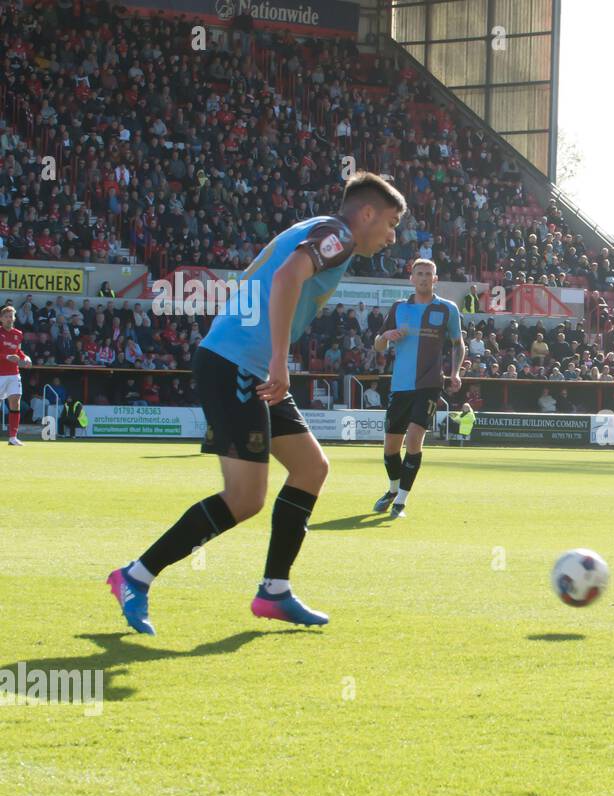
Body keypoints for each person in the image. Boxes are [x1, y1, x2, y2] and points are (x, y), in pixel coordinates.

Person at [107, 172, 407, 636]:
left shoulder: (316, 227)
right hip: (238, 366)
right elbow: (287, 276)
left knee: (311, 468)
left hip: (242, 362)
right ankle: (135, 576)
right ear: (367, 213)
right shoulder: (340, 235)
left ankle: (274, 591)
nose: (391, 237)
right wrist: (277, 358)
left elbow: (259, 277)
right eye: (390, 223)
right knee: (245, 498)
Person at [372, 258, 464, 519]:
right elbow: (377, 345)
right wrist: (385, 337)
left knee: (414, 439)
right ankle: (392, 490)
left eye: (428, 274)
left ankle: (401, 501)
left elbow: (458, 343)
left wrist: (455, 372)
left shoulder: (447, 309)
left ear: (435, 279)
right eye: (419, 274)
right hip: (400, 386)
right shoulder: (399, 308)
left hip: (429, 383)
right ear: (411, 278)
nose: (423, 278)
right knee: (391, 448)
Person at [1, 306, 33, 445]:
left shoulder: (18, 333)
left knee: (15, 402)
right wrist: (7, 356)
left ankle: (13, 437)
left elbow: (18, 351)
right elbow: (8, 353)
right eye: (6, 316)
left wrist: (25, 357)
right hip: (0, 373)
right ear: (1, 318)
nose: (9, 319)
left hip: (14, 373)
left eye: (11, 316)